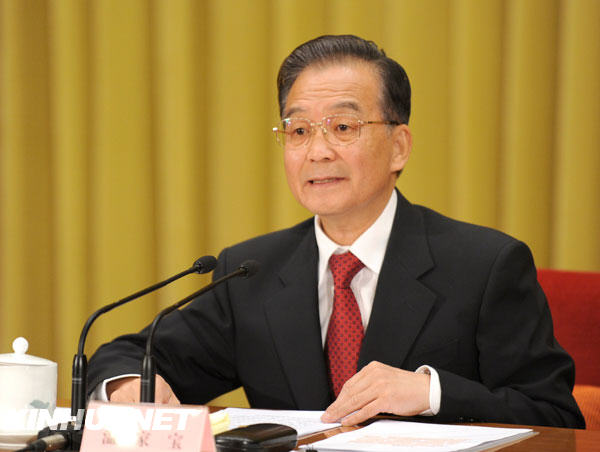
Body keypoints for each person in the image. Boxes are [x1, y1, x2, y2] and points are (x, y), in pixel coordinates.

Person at [87, 34, 585, 428]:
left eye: (343, 128)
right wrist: (127, 386)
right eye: (299, 130)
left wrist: (432, 393)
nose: (318, 151)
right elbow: (125, 356)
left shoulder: (485, 265)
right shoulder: (252, 272)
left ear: (399, 147)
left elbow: (555, 415)